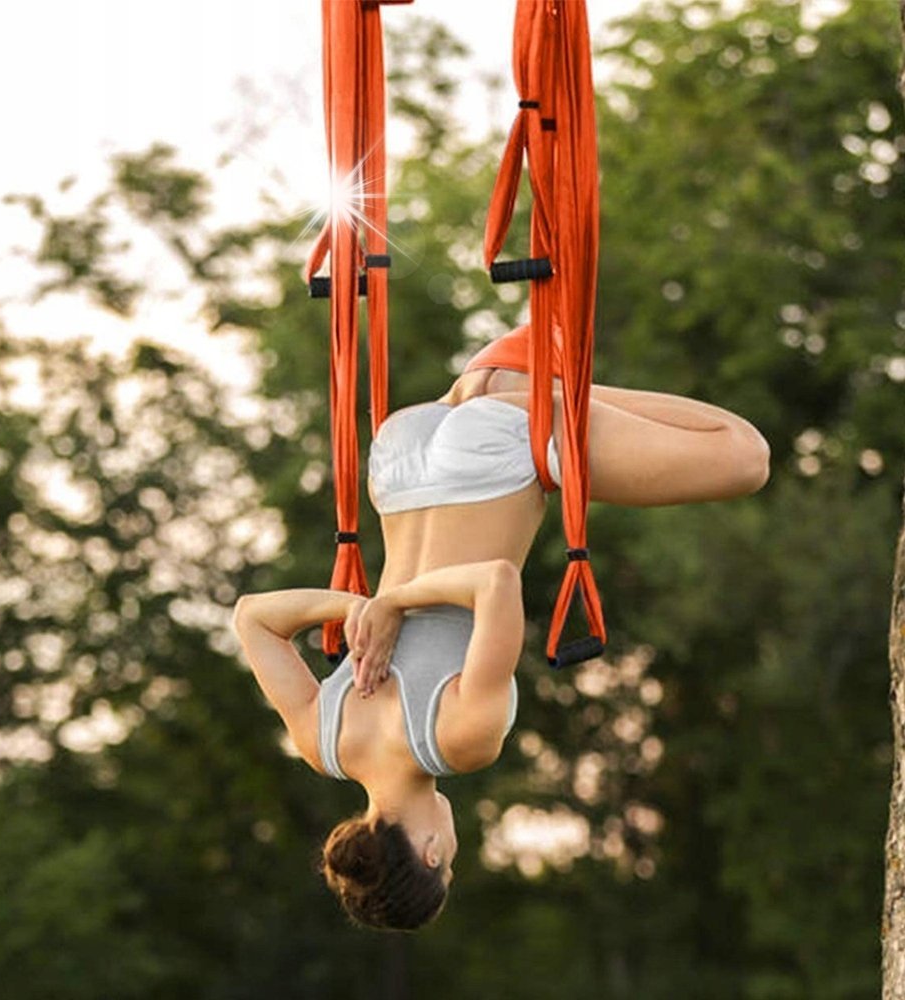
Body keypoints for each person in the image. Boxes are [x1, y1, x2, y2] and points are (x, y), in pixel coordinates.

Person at [232, 324, 770, 931]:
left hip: (494, 456)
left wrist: (389, 603)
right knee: (538, 356)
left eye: (450, 866)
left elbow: (495, 582)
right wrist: (358, 606)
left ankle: (533, 392)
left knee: (743, 457)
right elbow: (254, 617)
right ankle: (508, 384)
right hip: (400, 454)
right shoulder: (322, 742)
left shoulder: (459, 742)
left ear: (431, 855)